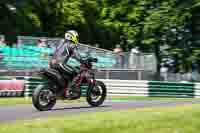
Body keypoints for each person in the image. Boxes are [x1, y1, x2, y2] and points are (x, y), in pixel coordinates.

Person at [50, 30, 85, 99]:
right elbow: (78, 57)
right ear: (72, 36)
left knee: (67, 75)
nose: (77, 39)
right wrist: (83, 61)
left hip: (52, 63)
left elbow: (61, 53)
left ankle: (61, 89)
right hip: (60, 64)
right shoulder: (72, 45)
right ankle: (68, 91)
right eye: (76, 37)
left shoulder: (61, 43)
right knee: (76, 73)